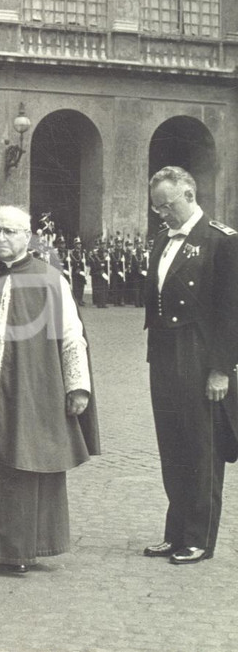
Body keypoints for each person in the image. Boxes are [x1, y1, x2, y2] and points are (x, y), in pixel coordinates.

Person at [0, 205, 100, 572]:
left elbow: (72, 337)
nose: (1, 238)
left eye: (10, 232)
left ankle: (20, 550)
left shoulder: (51, 278)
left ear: (28, 236)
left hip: (32, 390)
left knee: (24, 459)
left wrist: (78, 387)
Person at [142, 166, 238, 564]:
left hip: (200, 354)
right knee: (172, 445)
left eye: (166, 205)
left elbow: (232, 311)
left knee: (203, 448)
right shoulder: (163, 238)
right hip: (163, 350)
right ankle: (176, 530)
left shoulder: (221, 241)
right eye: (156, 207)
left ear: (189, 194)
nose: (161, 214)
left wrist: (221, 369)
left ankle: (199, 537)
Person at [69, 237, 87, 306]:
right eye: (77, 244)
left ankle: (80, 299)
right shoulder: (72, 253)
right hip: (76, 271)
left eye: (79, 244)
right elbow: (73, 262)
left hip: (82, 271)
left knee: (81, 286)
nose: (79, 245)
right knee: (76, 286)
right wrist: (77, 268)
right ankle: (76, 300)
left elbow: (86, 262)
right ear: (75, 245)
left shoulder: (83, 252)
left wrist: (85, 261)